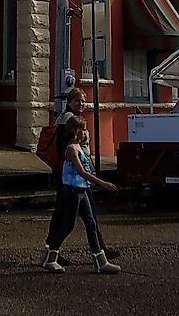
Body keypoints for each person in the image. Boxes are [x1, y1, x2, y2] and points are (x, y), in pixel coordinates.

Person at [42, 116, 120, 274]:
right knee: (68, 225)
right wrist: (102, 183)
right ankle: (50, 258)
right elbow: (82, 172)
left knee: (91, 224)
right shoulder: (71, 149)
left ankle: (100, 261)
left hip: (82, 189)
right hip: (72, 190)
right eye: (82, 129)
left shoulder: (78, 147)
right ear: (74, 131)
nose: (84, 132)